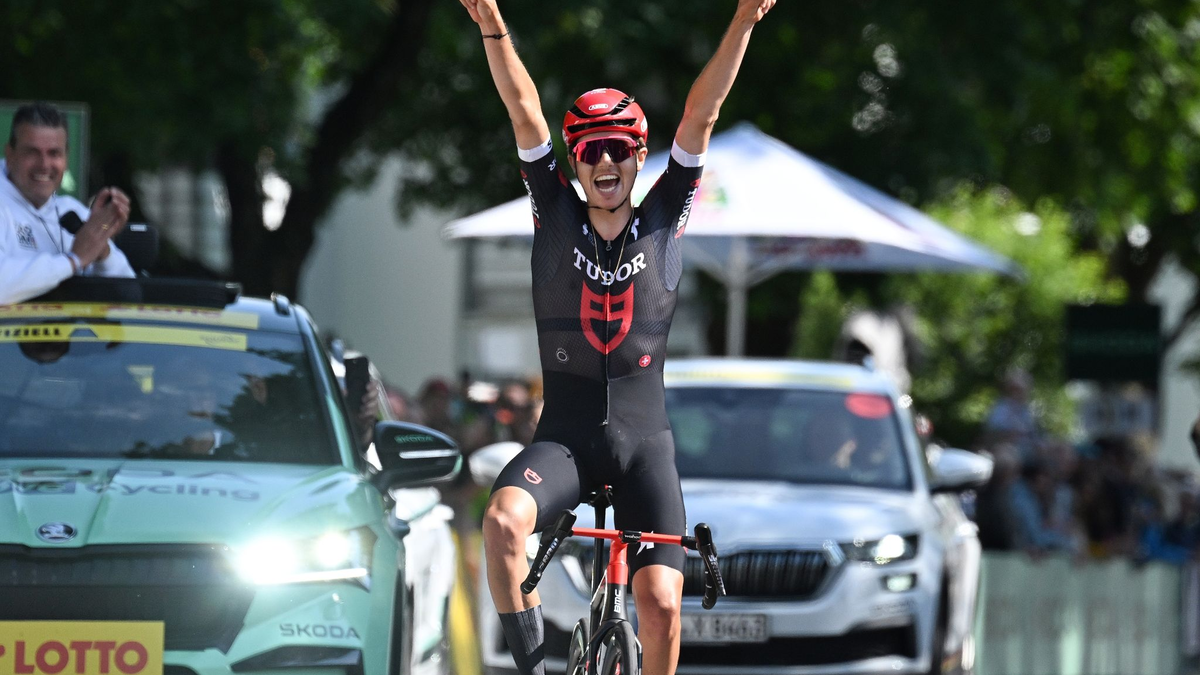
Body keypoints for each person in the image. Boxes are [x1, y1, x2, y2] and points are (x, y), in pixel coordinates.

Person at [459, 1, 777, 674]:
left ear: (640, 156)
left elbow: (702, 113)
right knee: (501, 524)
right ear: (574, 162)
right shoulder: (555, 210)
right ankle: (534, 667)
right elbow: (523, 109)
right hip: (566, 437)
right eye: (590, 151)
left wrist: (745, 18)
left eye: (619, 149)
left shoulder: (667, 212)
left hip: (644, 444)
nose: (606, 162)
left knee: (661, 602)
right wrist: (492, 22)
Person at [0, 101, 134, 305]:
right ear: (10, 154)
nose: (44, 165)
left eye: (54, 153)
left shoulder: (70, 209)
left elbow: (131, 295)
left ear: (66, 158)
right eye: (32, 152)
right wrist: (73, 260)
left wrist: (101, 244)